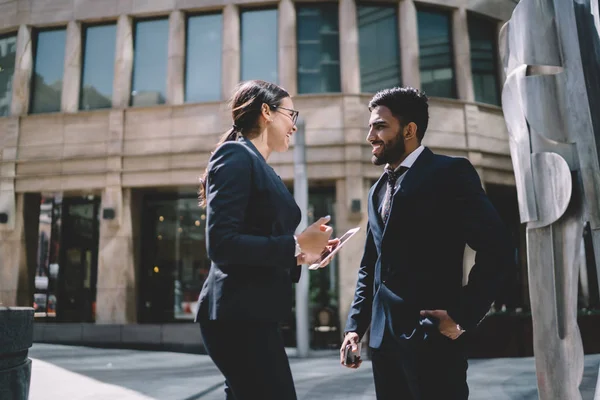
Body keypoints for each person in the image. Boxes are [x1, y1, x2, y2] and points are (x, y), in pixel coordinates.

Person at [340, 87, 514, 399]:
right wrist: (355, 327)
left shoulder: (450, 173)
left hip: (433, 341)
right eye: (370, 127)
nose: (370, 137)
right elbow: (371, 266)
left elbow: (497, 248)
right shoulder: (377, 189)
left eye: (379, 126)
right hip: (383, 345)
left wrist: (463, 315)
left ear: (409, 130)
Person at [196, 80, 335, 400]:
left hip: (252, 314)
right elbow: (221, 244)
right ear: (266, 112)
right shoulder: (235, 155)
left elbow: (258, 240)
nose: (294, 127)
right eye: (291, 115)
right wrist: (296, 245)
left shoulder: (260, 167)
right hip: (237, 317)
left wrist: (304, 254)